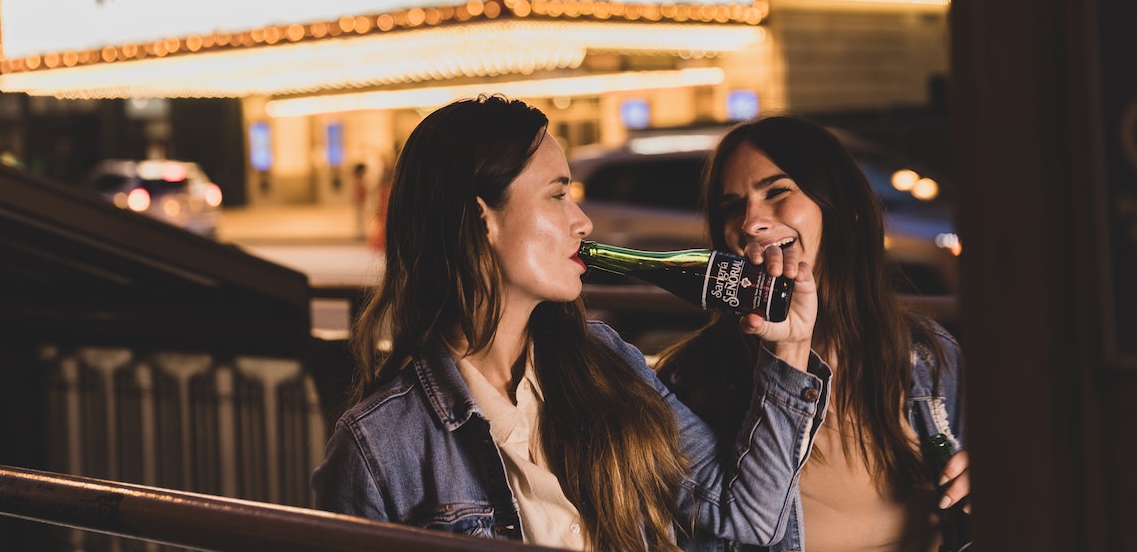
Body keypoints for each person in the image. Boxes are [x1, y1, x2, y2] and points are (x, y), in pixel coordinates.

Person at [312, 95, 832, 551]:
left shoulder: (607, 363)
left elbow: (747, 513)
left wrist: (789, 349)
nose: (583, 223)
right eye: (558, 195)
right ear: (480, 218)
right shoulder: (379, 447)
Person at [654, 115, 971, 552]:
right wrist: (786, 351)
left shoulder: (928, 356)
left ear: (842, 206)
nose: (750, 223)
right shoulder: (693, 381)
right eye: (732, 207)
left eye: (777, 192)